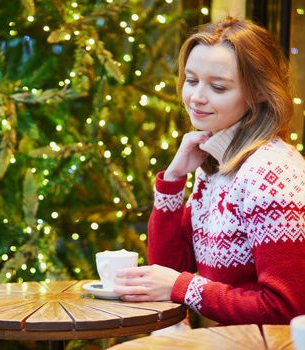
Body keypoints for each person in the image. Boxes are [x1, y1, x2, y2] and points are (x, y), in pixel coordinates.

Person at [114, 17, 305, 325]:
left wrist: (184, 287)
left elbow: (287, 310)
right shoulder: (216, 166)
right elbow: (168, 269)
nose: (197, 97)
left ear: (257, 93)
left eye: (217, 87)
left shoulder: (271, 173)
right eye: (191, 80)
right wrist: (174, 181)